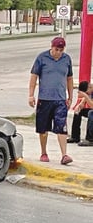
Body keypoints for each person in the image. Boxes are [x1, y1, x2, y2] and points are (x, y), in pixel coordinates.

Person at [28, 36, 74, 165]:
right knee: (43, 129)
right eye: (56, 49)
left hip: (60, 100)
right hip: (44, 99)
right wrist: (31, 95)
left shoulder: (66, 59)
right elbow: (34, 77)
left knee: (62, 128)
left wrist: (70, 96)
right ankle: (43, 152)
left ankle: (64, 155)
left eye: (61, 49)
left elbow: (69, 78)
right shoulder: (42, 58)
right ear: (51, 47)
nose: (59, 52)